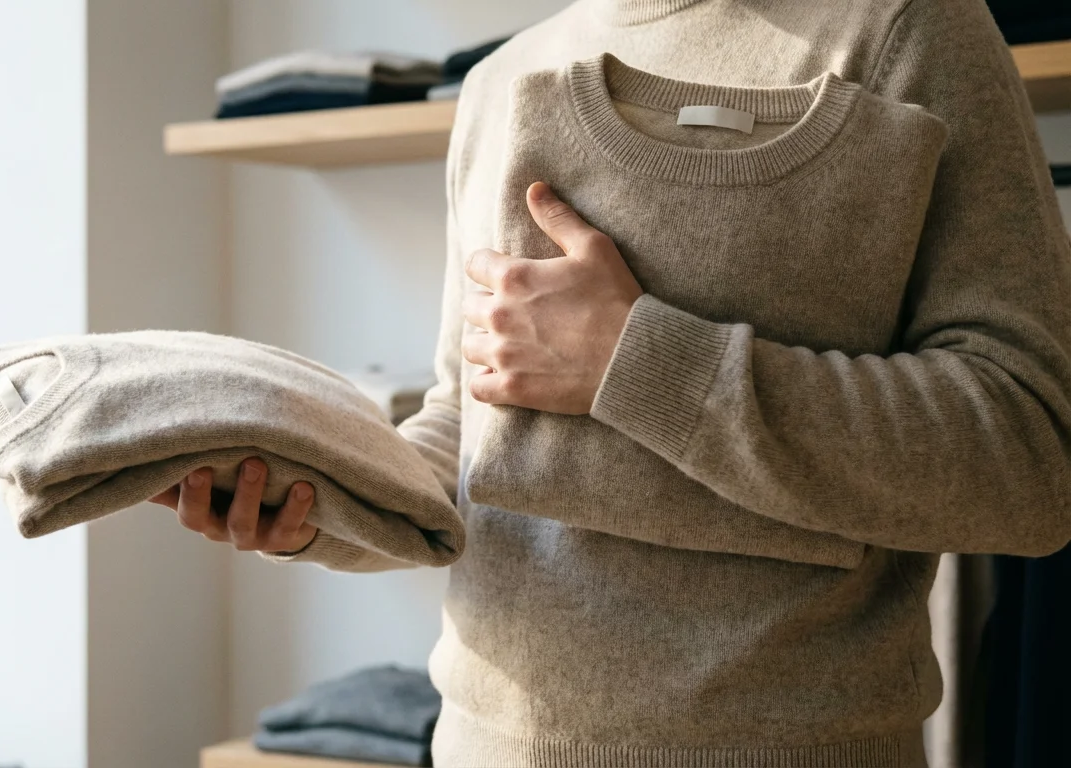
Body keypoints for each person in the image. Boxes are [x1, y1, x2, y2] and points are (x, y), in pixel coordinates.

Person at [152, 0, 1071, 765]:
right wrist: (320, 506)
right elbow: (467, 426)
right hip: (482, 743)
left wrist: (632, 360)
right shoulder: (498, 81)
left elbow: (1031, 459)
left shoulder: (909, 31)